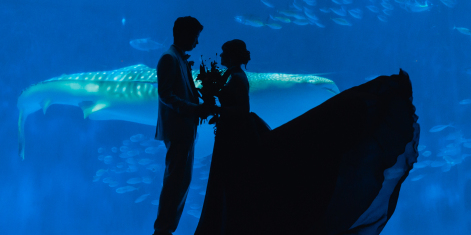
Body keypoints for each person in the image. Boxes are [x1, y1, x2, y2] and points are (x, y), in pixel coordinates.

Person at [195, 40, 419, 235]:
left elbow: (241, 110)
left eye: (225, 52)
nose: (221, 56)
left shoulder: (237, 77)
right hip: (230, 134)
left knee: (242, 185)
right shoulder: (231, 76)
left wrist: (212, 110)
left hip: (235, 132)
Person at [153, 16, 216, 235]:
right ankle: (162, 230)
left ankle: (167, 228)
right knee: (174, 182)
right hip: (178, 129)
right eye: (195, 37)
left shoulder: (179, 58)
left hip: (185, 129)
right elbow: (166, 95)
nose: (197, 42)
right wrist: (194, 109)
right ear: (184, 34)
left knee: (181, 181)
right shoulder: (169, 59)